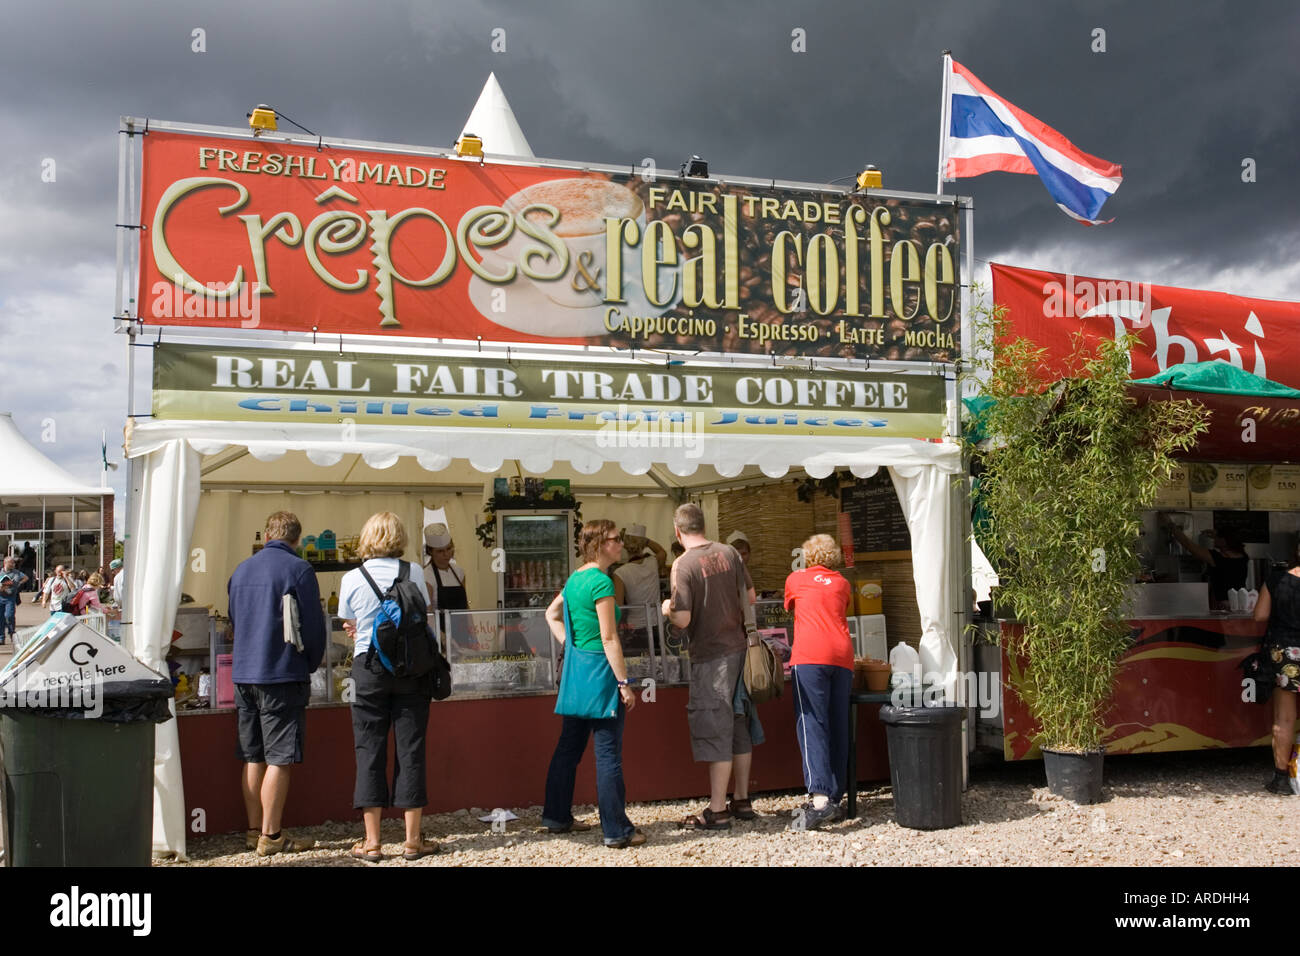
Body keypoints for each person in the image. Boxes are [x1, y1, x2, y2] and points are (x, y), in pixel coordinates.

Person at [338, 512, 439, 862]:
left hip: (368, 669)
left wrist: (360, 628)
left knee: (369, 750)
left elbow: (349, 623)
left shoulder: (352, 577)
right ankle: (412, 841)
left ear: (366, 538)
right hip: (410, 669)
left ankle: (373, 842)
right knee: (411, 749)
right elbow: (421, 616)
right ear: (399, 538)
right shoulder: (413, 571)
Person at [541, 519, 645, 848]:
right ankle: (617, 830)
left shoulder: (575, 579)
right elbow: (609, 636)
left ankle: (556, 817)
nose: (622, 544)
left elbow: (551, 614)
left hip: (577, 675)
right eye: (616, 539)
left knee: (568, 749)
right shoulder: (601, 583)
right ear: (600, 543)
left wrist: (570, 647)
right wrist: (624, 682)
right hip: (601, 675)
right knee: (608, 755)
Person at [227, 511, 326, 857]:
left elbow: (233, 621)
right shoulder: (299, 570)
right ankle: (272, 835)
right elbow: (314, 628)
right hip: (281, 673)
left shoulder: (241, 569)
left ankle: (255, 831)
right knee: (279, 758)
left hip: (243, 673)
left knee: (252, 755)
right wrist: (310, 663)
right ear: (297, 539)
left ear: (268, 533)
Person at [663, 502, 761, 829]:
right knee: (739, 721)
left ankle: (717, 810)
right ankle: (742, 800)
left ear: (677, 532)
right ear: (703, 525)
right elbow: (751, 596)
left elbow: (683, 616)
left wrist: (667, 609)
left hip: (711, 657)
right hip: (741, 650)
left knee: (716, 725)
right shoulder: (730, 553)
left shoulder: (682, 565)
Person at [783, 534, 855, 828]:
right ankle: (836, 797)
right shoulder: (842, 583)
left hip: (810, 656)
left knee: (812, 722)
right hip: (842, 655)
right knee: (838, 723)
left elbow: (789, 608)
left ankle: (820, 798)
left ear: (808, 556)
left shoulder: (795, 579)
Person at [1253, 553, 1300, 795]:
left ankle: (1281, 779)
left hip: (1286, 653)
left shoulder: (1276, 580)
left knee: (1284, 718)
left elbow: (1259, 615)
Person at [1161, 515, 1249, 609]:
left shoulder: (1218, 558)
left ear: (1224, 540)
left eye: (1217, 537)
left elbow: (1188, 544)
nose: (1214, 539)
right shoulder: (1243, 557)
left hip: (1223, 606)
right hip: (1241, 603)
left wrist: (1171, 525)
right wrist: (1217, 534)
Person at [422, 522, 468, 639]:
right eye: (440, 551)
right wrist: (442, 638)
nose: (446, 554)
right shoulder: (427, 575)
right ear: (431, 552)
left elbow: (466, 607)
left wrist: (473, 634)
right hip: (439, 633)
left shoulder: (459, 572)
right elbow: (429, 613)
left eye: (448, 549)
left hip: (462, 631)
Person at [0, 556, 29, 645]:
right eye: (11, 563)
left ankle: (12, 633)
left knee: (9, 616)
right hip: (0, 597)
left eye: (14, 563)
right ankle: (1, 637)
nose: (13, 564)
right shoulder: (0, 572)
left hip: (10, 598)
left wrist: (19, 583)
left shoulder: (16, 573)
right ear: (5, 563)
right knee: (0, 618)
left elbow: (26, 578)